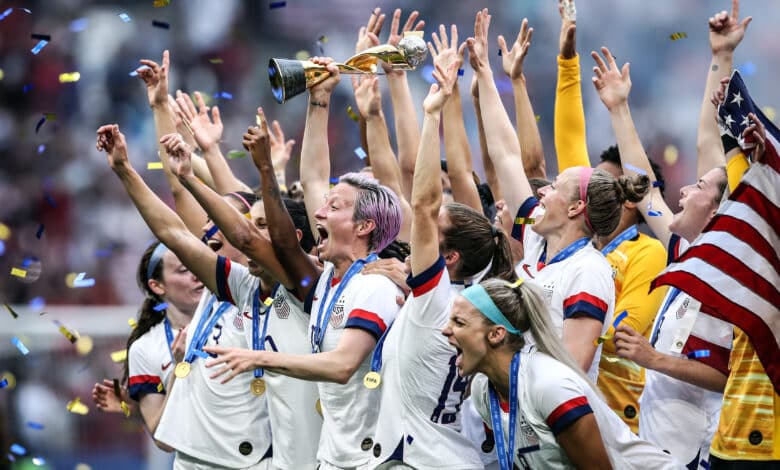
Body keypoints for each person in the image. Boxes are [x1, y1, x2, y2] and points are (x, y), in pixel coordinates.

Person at [204, 57, 404, 470]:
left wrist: (259, 358)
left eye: (335, 207)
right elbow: (312, 181)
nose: (319, 212)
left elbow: (343, 365)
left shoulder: (376, 286)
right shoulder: (328, 280)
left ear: (364, 225)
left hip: (373, 461)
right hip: (331, 457)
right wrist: (319, 99)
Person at [466, 8, 649, 381]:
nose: (543, 190)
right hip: (518, 404)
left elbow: (572, 370)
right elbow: (506, 156)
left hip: (550, 413)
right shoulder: (536, 240)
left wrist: (510, 375)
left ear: (576, 206)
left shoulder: (589, 271)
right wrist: (484, 72)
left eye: (554, 187)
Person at [364, 54, 515, 468]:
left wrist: (432, 116)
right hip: (444, 455)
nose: (419, 233)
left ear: (448, 257)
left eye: (431, 230)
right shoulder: (470, 304)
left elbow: (424, 203)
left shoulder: (438, 301)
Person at [589, 42, 734, 469]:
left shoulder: (727, 278)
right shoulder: (687, 251)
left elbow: (723, 373)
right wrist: (619, 108)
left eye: (698, 187)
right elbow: (646, 190)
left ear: (716, 211)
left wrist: (653, 359)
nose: (683, 190)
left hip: (693, 450)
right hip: (656, 440)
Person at [97, 123, 273, 469]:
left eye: (216, 221)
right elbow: (173, 227)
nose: (206, 229)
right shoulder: (218, 285)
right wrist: (124, 168)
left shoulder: (276, 287)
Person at [164, 112, 324, 470]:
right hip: (276, 459)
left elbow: (248, 229)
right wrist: (200, 156)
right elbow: (185, 227)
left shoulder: (310, 289)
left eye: (264, 226)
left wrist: (267, 167)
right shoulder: (240, 284)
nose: (252, 233)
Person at [444, 278, 683, 469]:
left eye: (459, 322)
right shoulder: (483, 389)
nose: (446, 330)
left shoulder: (549, 385)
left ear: (496, 334)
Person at [92, 242, 201, 453]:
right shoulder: (145, 349)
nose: (196, 275)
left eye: (196, 264)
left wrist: (136, 411)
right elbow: (164, 440)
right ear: (157, 286)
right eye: (183, 270)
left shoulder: (235, 319)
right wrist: (180, 368)